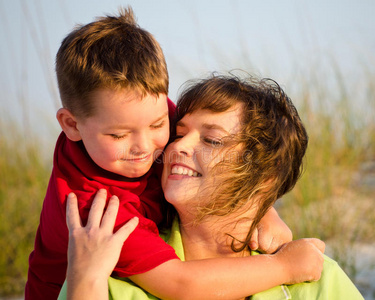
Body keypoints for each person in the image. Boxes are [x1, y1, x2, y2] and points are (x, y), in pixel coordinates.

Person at [26, 7, 297, 300]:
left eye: (159, 124)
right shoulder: (94, 207)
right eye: (118, 135)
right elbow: (181, 285)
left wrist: (264, 210)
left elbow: (218, 167)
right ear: (71, 124)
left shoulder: (139, 109)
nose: (144, 146)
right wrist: (285, 266)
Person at [60, 74, 363, 300]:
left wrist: (263, 209)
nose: (178, 147)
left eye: (211, 140)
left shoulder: (315, 280)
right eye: (178, 135)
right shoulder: (104, 267)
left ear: (263, 176)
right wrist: (84, 283)